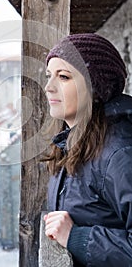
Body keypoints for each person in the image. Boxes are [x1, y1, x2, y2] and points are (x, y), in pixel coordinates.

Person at [43, 33, 132, 266]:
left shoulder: (119, 154)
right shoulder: (73, 142)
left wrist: (77, 238)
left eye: (63, 77)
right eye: (48, 76)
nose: (48, 87)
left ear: (94, 86)